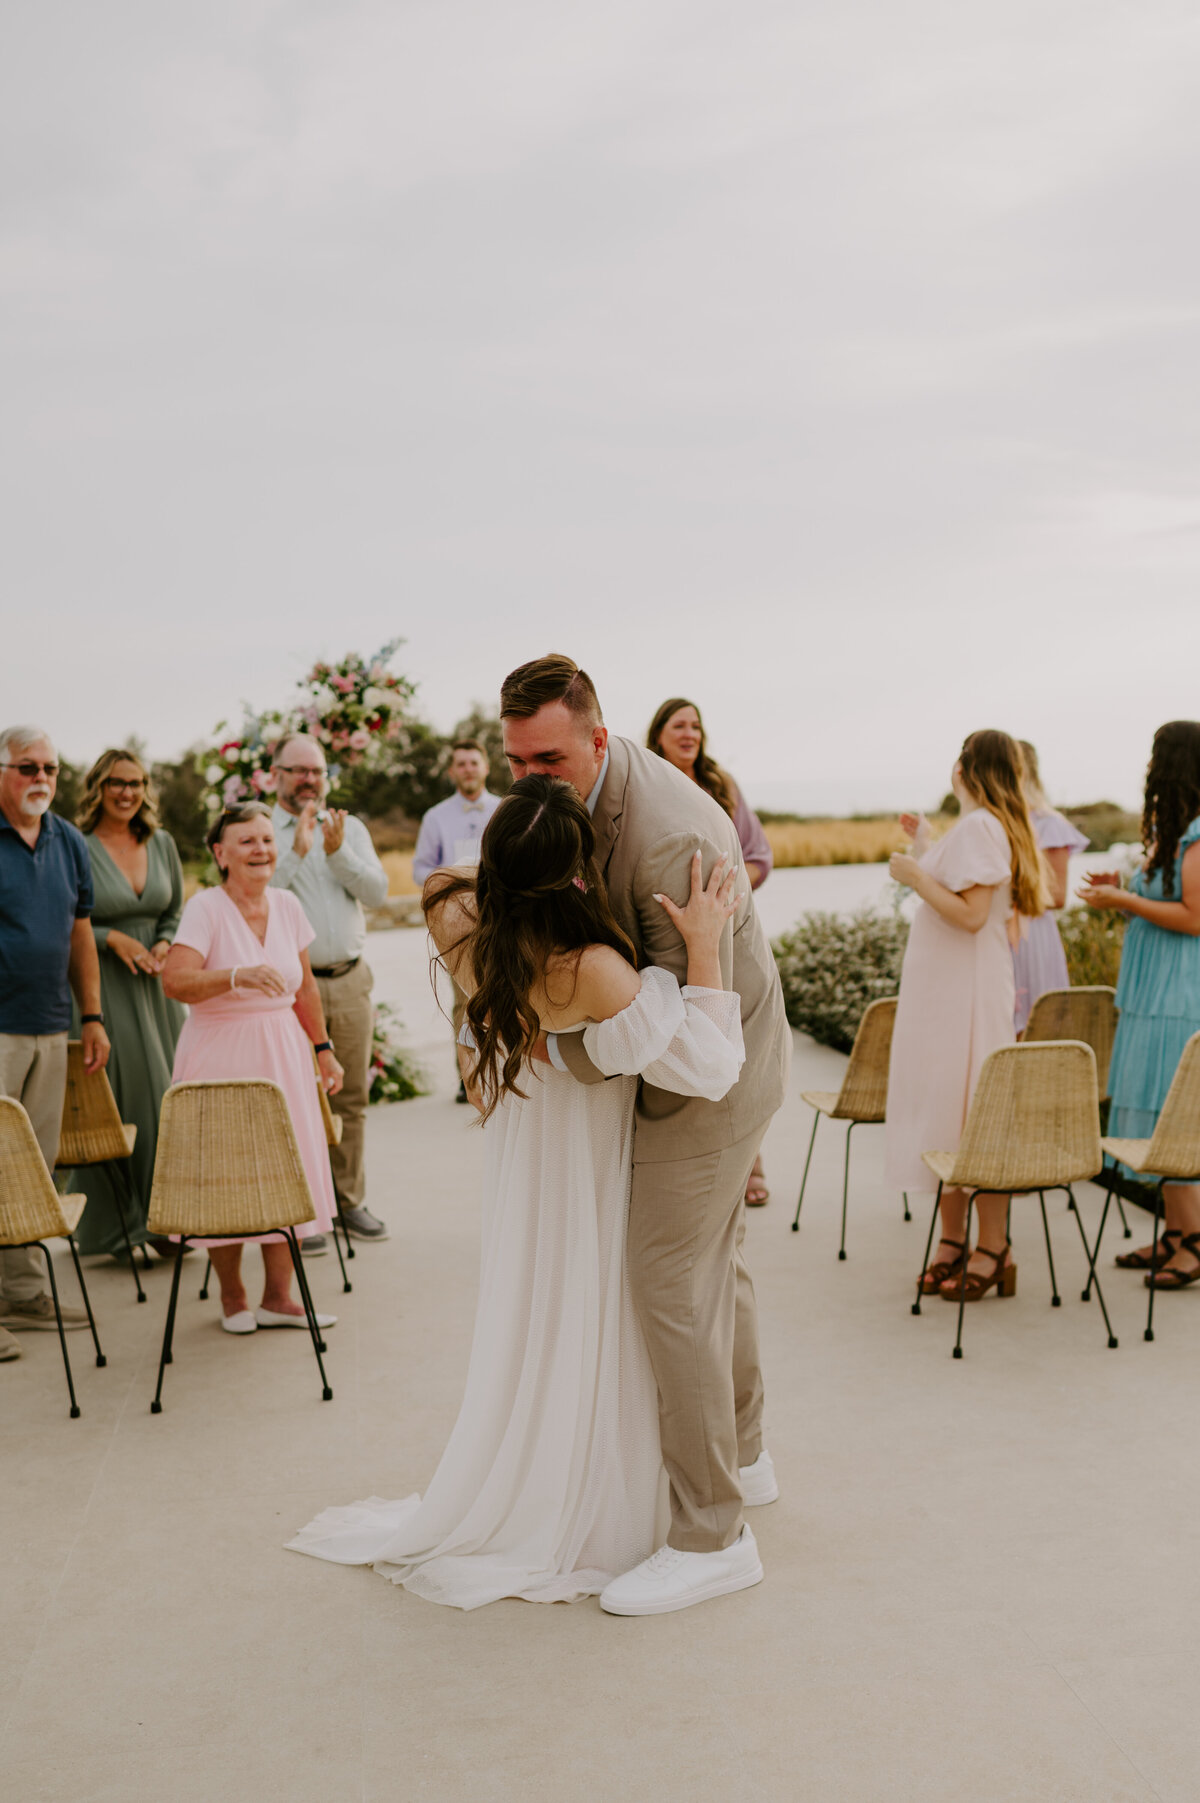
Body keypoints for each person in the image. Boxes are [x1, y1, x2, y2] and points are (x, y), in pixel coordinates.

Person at [289, 776, 748, 1607]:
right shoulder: (596, 970)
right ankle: (604, 1494)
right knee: (591, 1298)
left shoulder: (454, 910)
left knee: (537, 1293)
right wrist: (707, 943)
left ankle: (527, 1465)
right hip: (580, 1145)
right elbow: (712, 1067)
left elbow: (465, 932)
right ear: (580, 873)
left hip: (520, 1136)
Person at [506, 656, 789, 1615]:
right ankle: (744, 1455)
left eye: (547, 759)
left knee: (668, 1281)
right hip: (699, 1050)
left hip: (715, 1073)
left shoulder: (671, 839)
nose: (530, 781)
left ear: (597, 736)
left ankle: (714, 1533)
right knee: (717, 1264)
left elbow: (681, 1040)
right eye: (516, 762)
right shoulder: (579, 800)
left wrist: (573, 1047)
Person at [161, 803, 342, 1334]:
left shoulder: (287, 905)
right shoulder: (205, 908)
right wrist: (235, 976)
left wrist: (323, 1048)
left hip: (284, 1051)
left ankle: (279, 1298)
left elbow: (304, 986)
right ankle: (234, 1296)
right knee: (224, 1169)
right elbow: (175, 981)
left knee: (288, 1165)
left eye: (266, 839)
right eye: (247, 841)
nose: (261, 849)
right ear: (220, 854)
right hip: (219, 1052)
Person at [886, 730, 1047, 1304]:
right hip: (947, 993)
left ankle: (992, 1246)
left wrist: (914, 875)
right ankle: (953, 1240)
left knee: (974, 1111)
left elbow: (973, 915)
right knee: (946, 1111)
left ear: (967, 767)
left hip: (964, 993)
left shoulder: (983, 826)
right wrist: (928, 841)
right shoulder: (979, 823)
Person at [0, 725, 109, 1363]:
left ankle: (21, 1292)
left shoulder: (67, 838)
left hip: (51, 1023)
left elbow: (79, 932)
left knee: (34, 1170)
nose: (41, 778)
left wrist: (90, 1015)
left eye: (50, 767)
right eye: (25, 767)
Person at [1079, 720, 1200, 1289]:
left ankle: (1193, 1244)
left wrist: (1124, 895)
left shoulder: (1198, 833)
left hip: (1178, 995)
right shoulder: (1171, 831)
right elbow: (1163, 903)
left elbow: (1195, 918)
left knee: (1171, 1112)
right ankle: (1175, 1233)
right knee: (1153, 1107)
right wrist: (1124, 891)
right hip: (1151, 990)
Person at [647, 697, 774, 1206]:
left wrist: (731, 896)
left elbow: (760, 857)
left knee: (734, 1041)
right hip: (662, 933)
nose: (690, 733)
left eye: (696, 725)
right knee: (680, 1041)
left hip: (727, 934)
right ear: (658, 735)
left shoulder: (723, 787)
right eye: (679, 725)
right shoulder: (649, 789)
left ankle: (752, 1162)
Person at [64, 748, 187, 1260]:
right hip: (103, 984)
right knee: (122, 1100)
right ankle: (117, 1228)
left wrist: (163, 941)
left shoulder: (161, 844)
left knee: (170, 1097)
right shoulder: (79, 846)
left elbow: (176, 908)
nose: (127, 792)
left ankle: (173, 1220)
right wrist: (113, 938)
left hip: (157, 991)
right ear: (98, 787)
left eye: (135, 783)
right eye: (116, 783)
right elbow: (67, 918)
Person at [269, 733, 390, 1247]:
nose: (308, 780)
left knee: (353, 1097)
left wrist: (338, 854)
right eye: (298, 770)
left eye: (316, 771)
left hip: (350, 979)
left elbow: (379, 894)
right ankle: (306, 1210)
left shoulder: (350, 828)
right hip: (291, 990)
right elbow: (259, 896)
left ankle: (348, 1200)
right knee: (296, 1098)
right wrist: (296, 850)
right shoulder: (259, 828)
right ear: (274, 774)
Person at [411, 740, 503, 1102]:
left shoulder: (504, 808)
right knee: (464, 998)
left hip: (501, 916)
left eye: (473, 762)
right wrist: (448, 878)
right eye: (460, 764)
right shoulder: (436, 817)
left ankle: (508, 1065)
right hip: (456, 922)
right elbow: (420, 868)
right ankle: (469, 1076)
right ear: (452, 772)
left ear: (485, 768)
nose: (467, 769)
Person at [1011, 741, 1088, 1033]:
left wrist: (1000, 897)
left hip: (1031, 936)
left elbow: (1056, 896)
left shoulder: (1047, 824)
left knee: (1035, 1026)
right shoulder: (994, 822)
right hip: (996, 932)